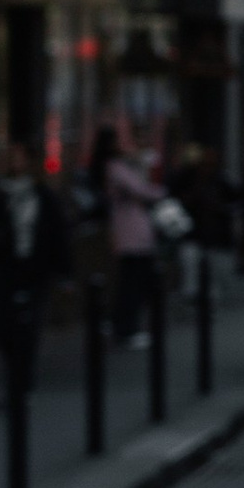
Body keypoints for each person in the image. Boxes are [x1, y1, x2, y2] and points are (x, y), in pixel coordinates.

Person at [0, 140, 72, 391]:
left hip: (35, 269)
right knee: (2, 322)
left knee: (29, 325)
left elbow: (56, 233)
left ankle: (23, 376)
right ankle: (15, 367)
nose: (15, 162)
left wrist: (64, 271)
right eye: (12, 157)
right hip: (5, 267)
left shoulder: (42, 195)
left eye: (20, 157)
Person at [96, 123, 159, 343]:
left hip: (134, 234)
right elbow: (142, 190)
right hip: (130, 235)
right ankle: (124, 327)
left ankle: (121, 324)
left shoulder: (122, 166)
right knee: (130, 284)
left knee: (131, 282)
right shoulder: (117, 168)